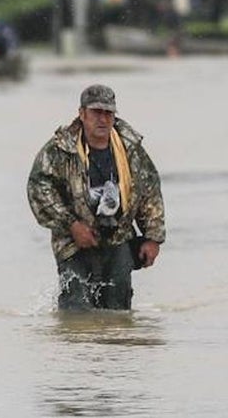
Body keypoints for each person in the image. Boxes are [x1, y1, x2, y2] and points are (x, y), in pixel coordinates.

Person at [28, 84, 166, 311]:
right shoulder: (60, 149)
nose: (102, 119)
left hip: (118, 238)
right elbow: (38, 188)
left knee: (118, 314)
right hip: (73, 242)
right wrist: (72, 225)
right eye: (96, 112)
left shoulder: (130, 148)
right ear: (82, 114)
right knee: (76, 312)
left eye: (108, 113)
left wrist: (152, 237)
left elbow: (150, 191)